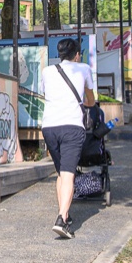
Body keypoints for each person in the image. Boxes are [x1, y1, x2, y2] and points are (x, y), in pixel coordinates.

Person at [39, 37, 95, 240]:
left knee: (61, 174)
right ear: (77, 54)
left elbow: (46, 94)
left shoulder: (47, 71)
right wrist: (87, 102)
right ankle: (61, 220)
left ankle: (66, 214)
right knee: (69, 174)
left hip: (49, 127)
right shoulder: (84, 69)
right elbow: (90, 99)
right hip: (71, 126)